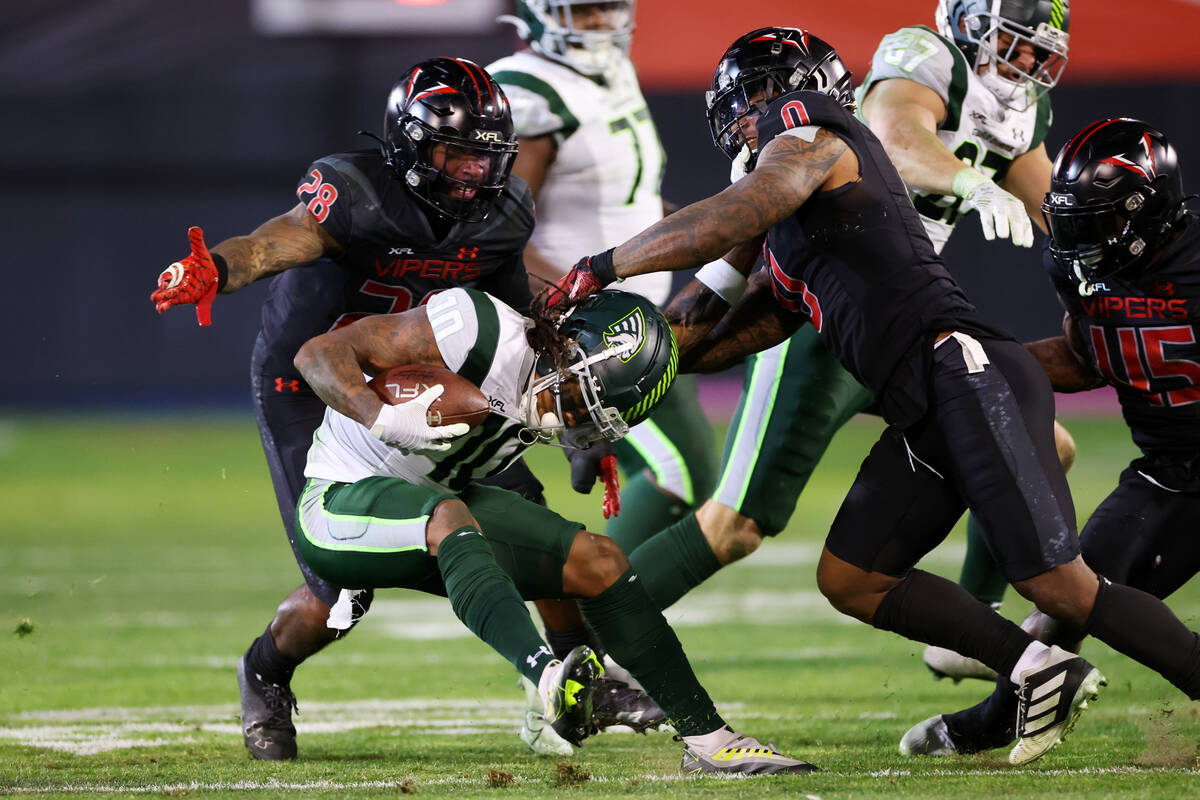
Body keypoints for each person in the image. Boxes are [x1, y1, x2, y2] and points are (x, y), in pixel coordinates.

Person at [554, 26, 1200, 766]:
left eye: (750, 101)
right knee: (852, 577)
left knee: (1060, 585)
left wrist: (601, 266)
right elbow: (712, 328)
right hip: (925, 397)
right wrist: (603, 407)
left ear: (780, 96)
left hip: (961, 371)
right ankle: (1034, 669)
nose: (742, 119)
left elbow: (734, 212)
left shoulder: (814, 140)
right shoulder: (791, 220)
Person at [151, 57, 549, 761]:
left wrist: (580, 427)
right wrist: (219, 266)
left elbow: (522, 313)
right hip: (311, 382)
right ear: (409, 144)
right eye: (455, 155)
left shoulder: (503, 212)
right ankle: (265, 670)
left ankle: (585, 676)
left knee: (538, 527)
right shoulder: (357, 193)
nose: (471, 176)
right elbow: (275, 241)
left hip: (419, 388)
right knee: (342, 590)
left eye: (483, 159)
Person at [286, 284, 818, 775]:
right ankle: (546, 680)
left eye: (597, 414)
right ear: (563, 348)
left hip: (434, 498)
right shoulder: (475, 331)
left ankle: (710, 742)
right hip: (338, 500)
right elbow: (316, 353)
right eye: (582, 398)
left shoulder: (551, 385)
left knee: (599, 561)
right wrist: (378, 415)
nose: (577, 421)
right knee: (450, 517)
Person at [900, 118, 1200, 756]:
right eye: (1073, 219)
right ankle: (1003, 715)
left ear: (1150, 212)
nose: (1082, 239)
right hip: (1171, 471)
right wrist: (984, 365)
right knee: (1074, 593)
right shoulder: (1079, 268)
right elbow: (1089, 353)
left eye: (1100, 220)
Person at [486, 0, 718, 752]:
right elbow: (496, 239)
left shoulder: (606, 74)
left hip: (631, 326)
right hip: (585, 332)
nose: (600, 22)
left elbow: (629, 205)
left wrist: (718, 235)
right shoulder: (528, 90)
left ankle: (577, 662)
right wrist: (574, 319)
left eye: (607, 7)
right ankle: (582, 656)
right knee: (692, 475)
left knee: (696, 479)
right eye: (583, 9)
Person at [858, 0, 1076, 683]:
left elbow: (1062, 217)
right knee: (735, 520)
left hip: (910, 307)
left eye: (1044, 52)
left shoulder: (1021, 111)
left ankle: (974, 618)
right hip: (837, 293)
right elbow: (893, 134)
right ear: (973, 22)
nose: (1031, 64)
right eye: (1019, 43)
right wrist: (972, 181)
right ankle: (603, 641)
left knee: (1051, 446)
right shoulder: (926, 54)